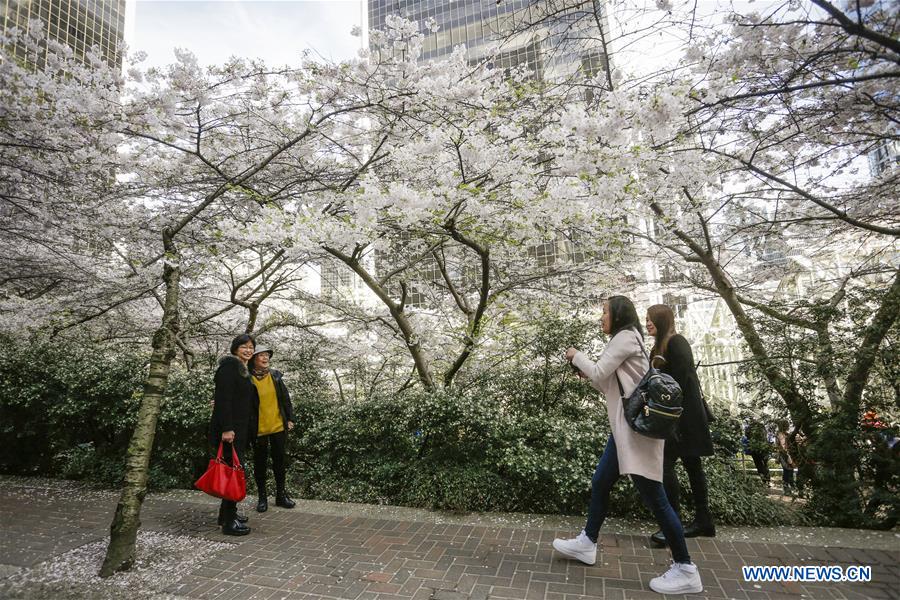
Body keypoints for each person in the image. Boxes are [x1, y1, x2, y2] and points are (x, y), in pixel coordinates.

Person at [555, 296, 703, 595]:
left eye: (605, 312)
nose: (601, 317)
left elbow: (598, 372)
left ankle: (686, 569)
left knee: (656, 498)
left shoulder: (624, 337)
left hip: (635, 431)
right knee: (600, 481)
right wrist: (589, 371)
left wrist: (574, 355)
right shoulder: (630, 337)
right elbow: (607, 381)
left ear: (619, 315)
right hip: (624, 428)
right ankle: (587, 543)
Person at [645, 305, 715, 548]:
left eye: (651, 319)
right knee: (692, 465)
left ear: (662, 320)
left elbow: (683, 382)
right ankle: (703, 519)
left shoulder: (677, 343)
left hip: (683, 418)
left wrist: (675, 421)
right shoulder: (659, 346)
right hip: (675, 418)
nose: (648, 323)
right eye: (646, 319)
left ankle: (672, 523)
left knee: (667, 465)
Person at [209, 333, 258, 536]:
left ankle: (227, 514)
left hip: (239, 429)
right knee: (232, 473)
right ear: (235, 348)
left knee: (233, 469)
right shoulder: (229, 368)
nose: (248, 350)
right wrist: (227, 428)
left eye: (251, 347)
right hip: (230, 431)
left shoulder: (243, 370)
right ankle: (229, 523)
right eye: (243, 346)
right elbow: (224, 400)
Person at [249, 344, 296, 512]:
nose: (265, 358)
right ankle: (262, 497)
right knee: (260, 463)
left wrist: (289, 419)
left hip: (277, 425)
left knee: (280, 461)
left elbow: (285, 399)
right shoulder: (247, 378)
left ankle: (281, 495)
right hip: (258, 428)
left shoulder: (275, 376)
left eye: (267, 355)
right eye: (261, 355)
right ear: (253, 359)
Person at [745, 418, 771, 486]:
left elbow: (747, 436)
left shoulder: (749, 428)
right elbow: (766, 435)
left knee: (758, 464)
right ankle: (767, 479)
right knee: (765, 464)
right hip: (764, 448)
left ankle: (763, 479)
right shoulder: (762, 426)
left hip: (754, 448)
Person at [775, 420, 796, 496]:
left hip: (786, 455)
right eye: (786, 425)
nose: (788, 426)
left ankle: (790, 488)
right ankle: (786, 489)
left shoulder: (785, 434)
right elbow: (784, 448)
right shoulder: (781, 435)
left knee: (789, 471)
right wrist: (790, 461)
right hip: (784, 455)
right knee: (787, 471)